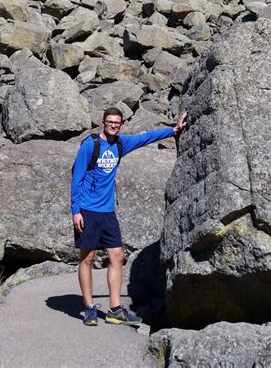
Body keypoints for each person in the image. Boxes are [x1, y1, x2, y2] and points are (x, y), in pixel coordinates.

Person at [71, 106, 187, 326]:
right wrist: (75, 211)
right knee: (87, 258)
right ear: (103, 122)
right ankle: (88, 308)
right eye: (110, 122)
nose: (114, 125)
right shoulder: (91, 145)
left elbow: (145, 138)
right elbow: (76, 178)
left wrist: (173, 131)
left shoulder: (121, 143)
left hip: (107, 212)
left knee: (117, 256)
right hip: (88, 210)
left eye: (117, 123)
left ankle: (114, 309)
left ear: (120, 124)